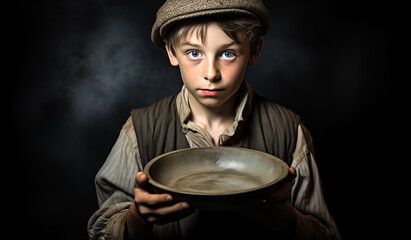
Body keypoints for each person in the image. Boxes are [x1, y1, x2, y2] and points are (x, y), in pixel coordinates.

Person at [88, 0, 341, 239]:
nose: (211, 73)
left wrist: (287, 219)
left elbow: (325, 233)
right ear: (171, 51)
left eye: (228, 54)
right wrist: (136, 220)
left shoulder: (288, 130)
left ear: (254, 51)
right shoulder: (142, 130)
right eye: (194, 53)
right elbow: (101, 229)